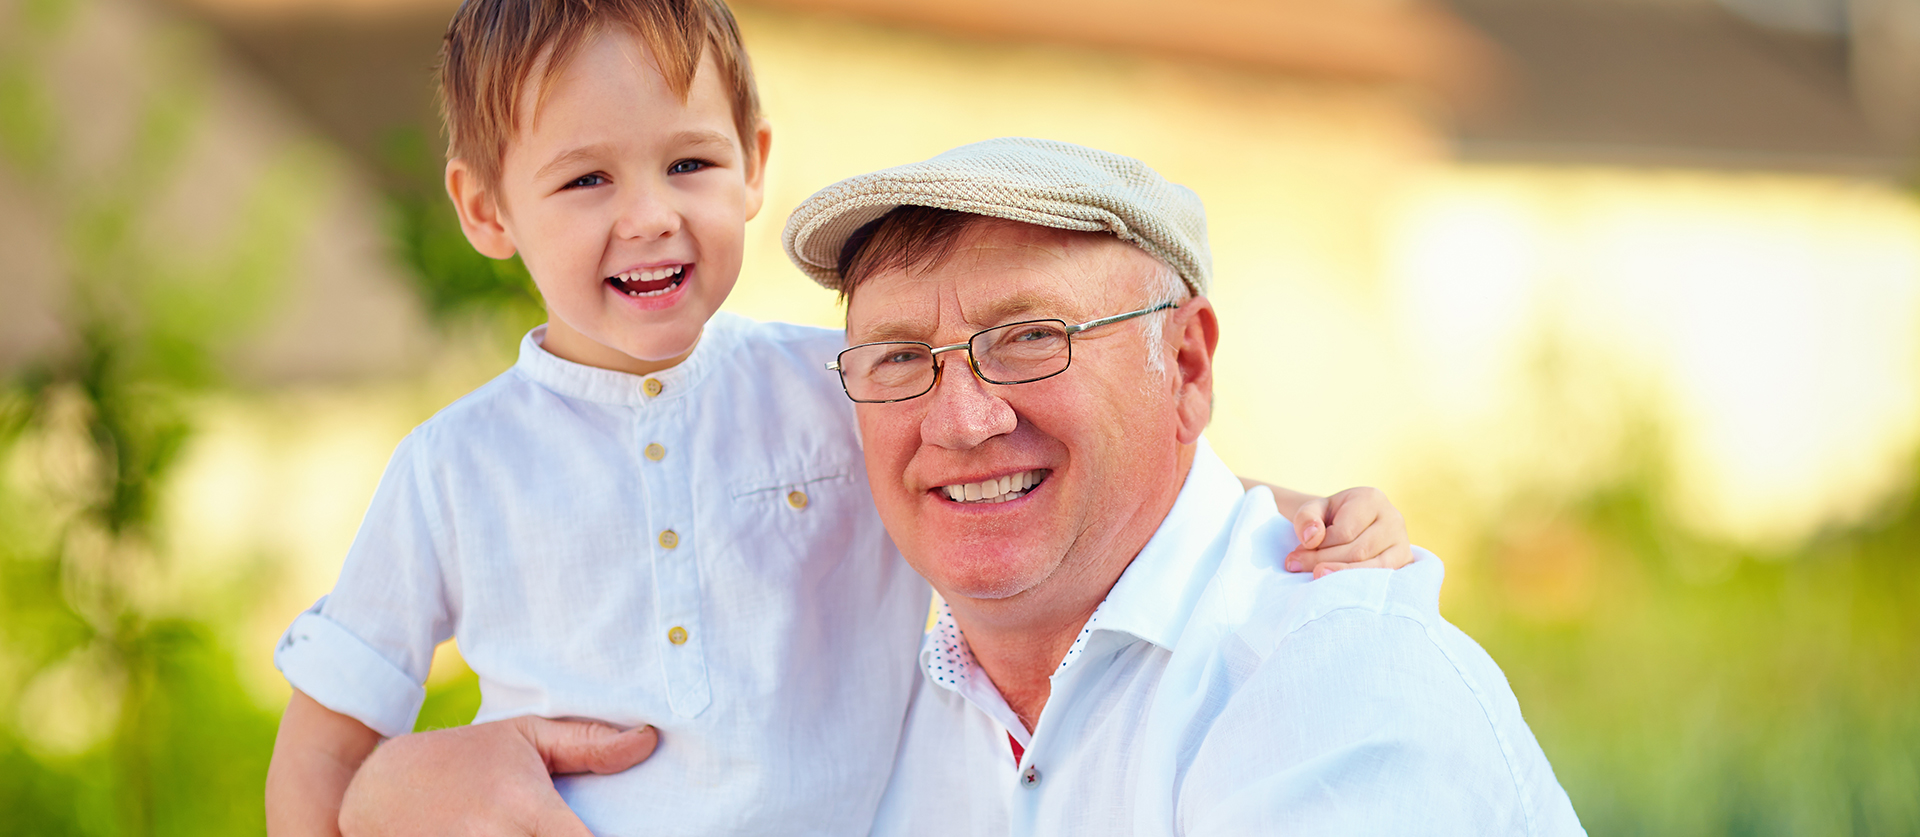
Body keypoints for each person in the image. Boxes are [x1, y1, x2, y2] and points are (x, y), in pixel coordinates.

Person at [261, 3, 1414, 836]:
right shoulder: (452, 471)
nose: (651, 217)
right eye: (586, 182)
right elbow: (327, 742)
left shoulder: (845, 385)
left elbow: (1090, 468)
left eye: (689, 162)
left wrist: (1287, 511)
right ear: (485, 207)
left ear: (755, 167)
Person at [777, 137, 1588, 835]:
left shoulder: (1336, 676)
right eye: (899, 356)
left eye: (1030, 337)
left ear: (1187, 366)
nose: (958, 419)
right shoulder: (871, 704)